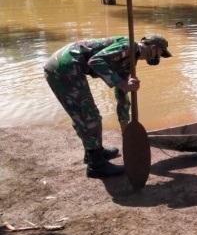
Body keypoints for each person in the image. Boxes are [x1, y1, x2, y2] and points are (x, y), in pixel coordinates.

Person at [44, 35, 172, 178]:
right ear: (154, 48)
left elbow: (122, 95)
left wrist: (125, 127)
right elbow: (95, 61)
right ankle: (96, 165)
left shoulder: (130, 61)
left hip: (68, 67)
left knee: (87, 115)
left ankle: (93, 152)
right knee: (89, 116)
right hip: (63, 67)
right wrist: (123, 83)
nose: (159, 57)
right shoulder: (130, 46)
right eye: (161, 53)